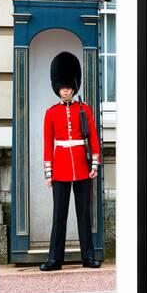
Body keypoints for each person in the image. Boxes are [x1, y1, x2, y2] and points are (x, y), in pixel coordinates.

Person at [40, 51, 101, 271]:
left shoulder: (84, 109)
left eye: (68, 86)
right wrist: (49, 172)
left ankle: (88, 257)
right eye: (62, 86)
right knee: (59, 216)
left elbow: (93, 137)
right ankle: (55, 259)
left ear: (74, 85)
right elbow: (48, 145)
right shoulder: (51, 113)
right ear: (57, 87)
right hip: (61, 170)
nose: (65, 89)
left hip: (83, 168)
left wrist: (95, 164)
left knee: (83, 215)